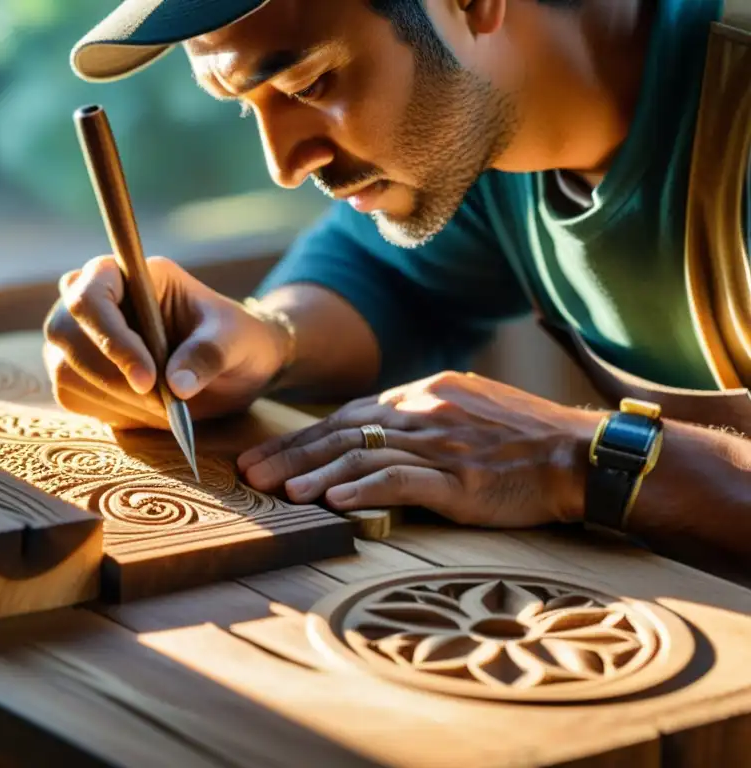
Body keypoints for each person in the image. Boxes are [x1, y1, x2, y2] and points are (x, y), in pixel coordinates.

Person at [43, 0, 751, 574]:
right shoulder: (486, 140)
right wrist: (254, 340)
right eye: (245, 104)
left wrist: (578, 455)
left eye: (310, 84)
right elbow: (387, 284)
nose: (285, 164)